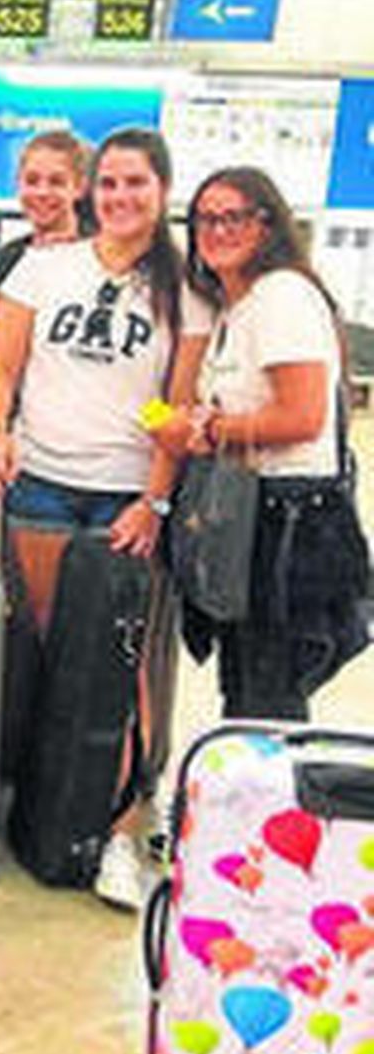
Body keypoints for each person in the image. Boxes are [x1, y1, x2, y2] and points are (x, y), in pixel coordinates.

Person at [0, 127, 210, 910]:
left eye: (135, 184)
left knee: (122, 664)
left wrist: (155, 498)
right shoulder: (46, 265)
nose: (119, 198)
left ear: (163, 192)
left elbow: (166, 407)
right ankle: (55, 806)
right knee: (48, 648)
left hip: (123, 496)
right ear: (88, 191)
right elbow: (6, 363)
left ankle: (124, 829)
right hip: (40, 485)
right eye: (108, 184)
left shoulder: (185, 291)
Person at [158, 166, 368, 721]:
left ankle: (271, 805)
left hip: (287, 525)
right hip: (258, 518)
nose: (216, 230)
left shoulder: (282, 296)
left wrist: (212, 430)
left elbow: (302, 417)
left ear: (268, 225)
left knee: (268, 702)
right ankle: (251, 803)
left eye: (234, 217)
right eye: (204, 218)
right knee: (250, 692)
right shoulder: (240, 306)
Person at [0, 130, 91, 285]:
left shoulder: (107, 256)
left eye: (56, 182)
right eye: (32, 181)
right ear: (17, 184)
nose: (42, 192)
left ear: (80, 188)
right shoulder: (3, 261)